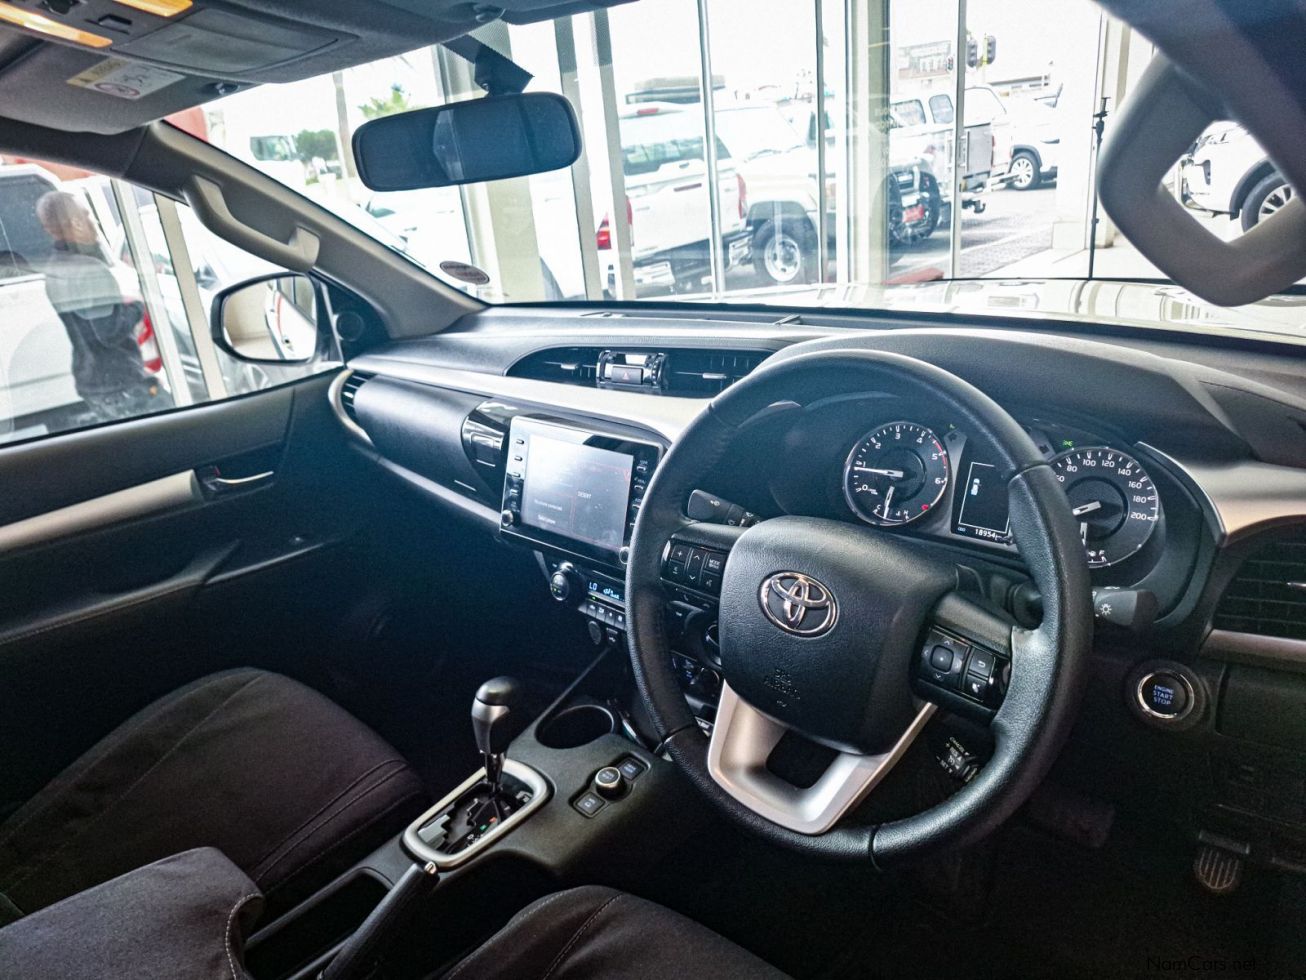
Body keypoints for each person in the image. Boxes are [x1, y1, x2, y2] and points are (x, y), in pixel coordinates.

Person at [35, 191, 163, 422]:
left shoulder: (55, 268)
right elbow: (108, 331)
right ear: (76, 223)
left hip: (91, 379)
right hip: (117, 381)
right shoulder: (91, 270)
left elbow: (87, 318)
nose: (92, 221)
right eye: (87, 215)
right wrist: (136, 306)